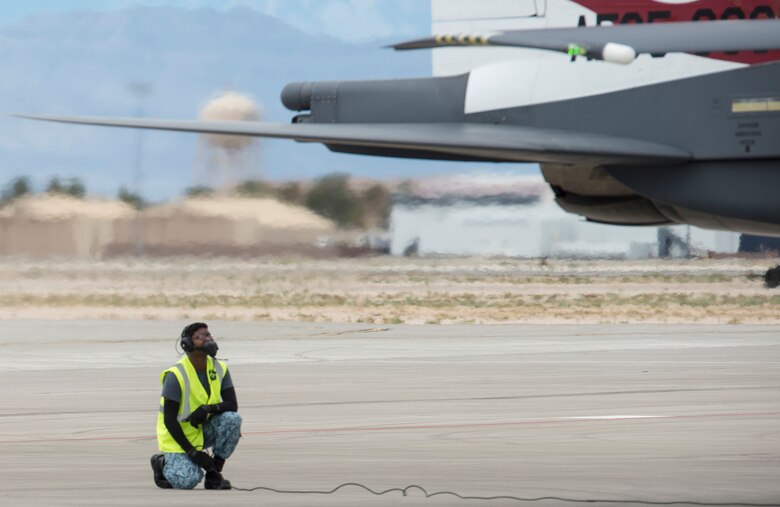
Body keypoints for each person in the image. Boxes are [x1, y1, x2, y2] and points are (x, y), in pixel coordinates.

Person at [151, 322, 242, 490]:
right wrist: (193, 453)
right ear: (187, 344)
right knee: (187, 480)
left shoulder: (219, 368)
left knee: (232, 419)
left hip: (202, 429)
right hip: (177, 437)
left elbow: (232, 405)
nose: (207, 339)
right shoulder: (176, 375)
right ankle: (161, 462)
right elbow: (169, 421)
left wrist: (208, 409)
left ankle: (214, 473)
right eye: (201, 337)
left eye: (208, 335)